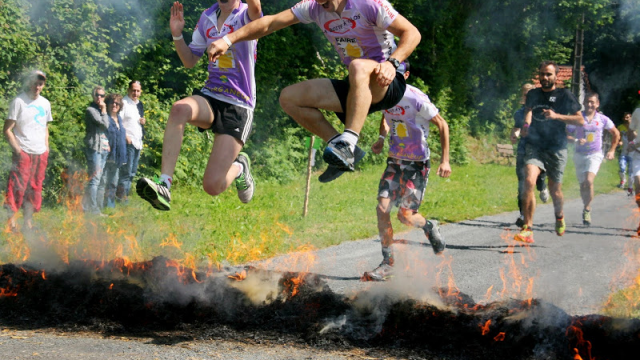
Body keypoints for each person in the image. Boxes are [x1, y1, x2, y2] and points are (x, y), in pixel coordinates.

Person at [206, 0, 421, 183]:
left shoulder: (368, 4)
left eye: (326, 1)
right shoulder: (313, 6)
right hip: (357, 86)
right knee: (289, 98)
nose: (322, 5)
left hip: (387, 82)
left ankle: (348, 142)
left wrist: (393, 63)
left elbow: (412, 32)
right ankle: (344, 149)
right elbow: (270, 23)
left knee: (357, 67)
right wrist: (228, 39)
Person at [136, 0, 261, 211]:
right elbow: (190, 60)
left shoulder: (246, 14)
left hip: (238, 104)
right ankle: (164, 184)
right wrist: (177, 34)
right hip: (211, 96)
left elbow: (257, 10)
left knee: (212, 186)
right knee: (179, 109)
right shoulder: (207, 17)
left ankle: (240, 167)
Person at [362, 63, 451, 281]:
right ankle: (388, 263)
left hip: (417, 165)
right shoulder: (382, 93)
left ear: (406, 75)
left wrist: (445, 160)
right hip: (395, 161)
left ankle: (429, 226)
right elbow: (385, 116)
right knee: (382, 209)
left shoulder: (416, 97)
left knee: (405, 216)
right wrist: (382, 138)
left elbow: (442, 125)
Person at [515, 61, 583, 243]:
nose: (545, 78)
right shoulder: (533, 94)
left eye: (549, 74)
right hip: (535, 145)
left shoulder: (565, 95)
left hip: (556, 148)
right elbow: (528, 111)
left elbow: (580, 120)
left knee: (555, 191)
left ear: (555, 76)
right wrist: (526, 126)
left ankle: (559, 216)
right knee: (529, 181)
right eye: (542, 74)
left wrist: (557, 116)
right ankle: (527, 228)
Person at [3, 70, 52, 231]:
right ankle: (11, 221)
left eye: (41, 83)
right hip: (23, 151)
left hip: (40, 152)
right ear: (29, 81)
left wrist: (46, 148)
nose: (37, 86)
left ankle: (28, 221)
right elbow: (7, 129)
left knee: (35, 188)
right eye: (35, 82)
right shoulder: (19, 101)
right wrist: (18, 150)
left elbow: (45, 127)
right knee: (17, 187)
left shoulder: (45, 103)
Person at [566, 92, 619, 226]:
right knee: (583, 184)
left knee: (589, 181)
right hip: (579, 154)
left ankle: (587, 209)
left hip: (595, 154)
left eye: (592, 102)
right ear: (583, 103)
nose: (590, 104)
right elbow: (566, 134)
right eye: (587, 101)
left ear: (597, 104)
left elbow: (616, 133)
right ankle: (585, 204)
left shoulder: (603, 119)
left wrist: (612, 150)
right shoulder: (577, 118)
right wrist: (576, 140)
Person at [510, 83, 550, 228]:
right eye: (526, 94)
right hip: (523, 150)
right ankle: (523, 215)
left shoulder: (543, 111)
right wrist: (514, 135)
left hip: (539, 151)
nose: (528, 97)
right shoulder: (519, 113)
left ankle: (543, 185)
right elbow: (516, 128)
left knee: (536, 179)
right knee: (523, 184)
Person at [82, 86, 110, 215]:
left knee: (99, 180)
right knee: (94, 179)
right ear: (93, 96)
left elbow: (107, 127)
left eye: (102, 95)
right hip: (95, 149)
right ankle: (92, 209)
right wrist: (104, 110)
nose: (100, 97)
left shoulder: (102, 111)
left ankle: (93, 207)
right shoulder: (91, 110)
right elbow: (104, 124)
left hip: (103, 149)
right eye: (97, 95)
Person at [117, 81, 145, 204]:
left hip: (138, 142)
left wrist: (142, 121)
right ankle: (121, 198)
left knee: (132, 173)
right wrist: (125, 136)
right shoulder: (123, 103)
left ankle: (125, 196)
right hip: (128, 142)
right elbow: (118, 120)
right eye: (133, 90)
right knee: (126, 172)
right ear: (128, 90)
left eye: (138, 91)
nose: (135, 93)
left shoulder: (139, 105)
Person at [98, 94, 127, 209]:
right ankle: (99, 204)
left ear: (120, 106)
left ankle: (110, 203)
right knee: (103, 180)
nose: (114, 105)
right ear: (108, 104)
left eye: (117, 103)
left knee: (114, 181)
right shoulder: (105, 118)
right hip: (107, 155)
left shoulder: (119, 119)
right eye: (112, 103)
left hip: (118, 156)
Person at [627, 103, 640, 234]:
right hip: (638, 154)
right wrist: (633, 142)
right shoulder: (637, 111)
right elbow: (631, 130)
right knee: (638, 185)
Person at [617, 112, 633, 194]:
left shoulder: (635, 127)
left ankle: (630, 186)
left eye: (629, 117)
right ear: (623, 118)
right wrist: (619, 141)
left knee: (631, 170)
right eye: (626, 117)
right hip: (623, 151)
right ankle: (623, 181)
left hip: (632, 153)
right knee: (622, 167)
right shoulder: (620, 127)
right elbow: (618, 136)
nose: (627, 119)